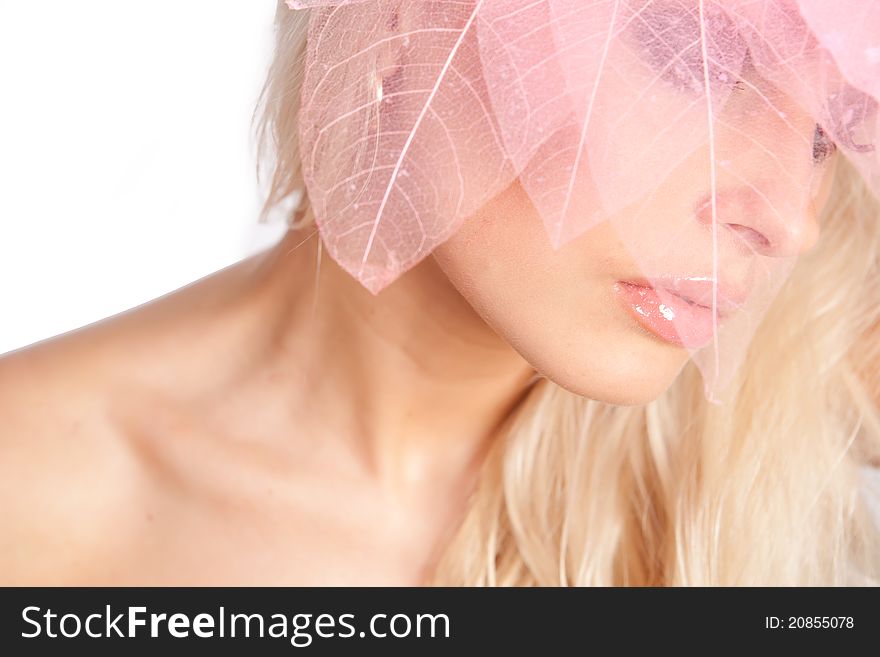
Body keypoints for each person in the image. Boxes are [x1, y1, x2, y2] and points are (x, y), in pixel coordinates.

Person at [1, 1, 878, 586]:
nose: (790, 221)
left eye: (825, 133)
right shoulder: (29, 499)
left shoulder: (794, 469)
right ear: (397, 21)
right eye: (697, 60)